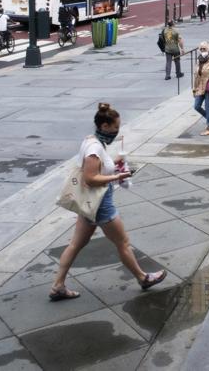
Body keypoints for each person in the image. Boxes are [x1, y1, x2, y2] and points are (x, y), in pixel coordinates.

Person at [50, 103, 167, 301]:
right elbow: (91, 178)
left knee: (75, 245)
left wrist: (115, 163)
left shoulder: (91, 140)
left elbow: (98, 167)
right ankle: (143, 278)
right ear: (104, 126)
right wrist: (118, 176)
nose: (117, 131)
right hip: (101, 204)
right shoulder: (94, 148)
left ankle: (58, 286)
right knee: (123, 242)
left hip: (89, 204)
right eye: (115, 128)